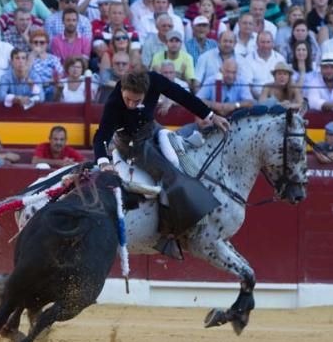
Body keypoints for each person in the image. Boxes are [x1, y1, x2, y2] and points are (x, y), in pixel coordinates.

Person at [93, 68, 230, 258]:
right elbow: (102, 135)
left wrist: (211, 116)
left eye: (137, 100)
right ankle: (167, 235)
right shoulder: (114, 101)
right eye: (128, 100)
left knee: (187, 160)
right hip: (132, 144)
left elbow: (181, 95)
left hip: (153, 129)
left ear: (146, 92)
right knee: (169, 175)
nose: (132, 105)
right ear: (122, 90)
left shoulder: (154, 80)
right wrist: (102, 162)